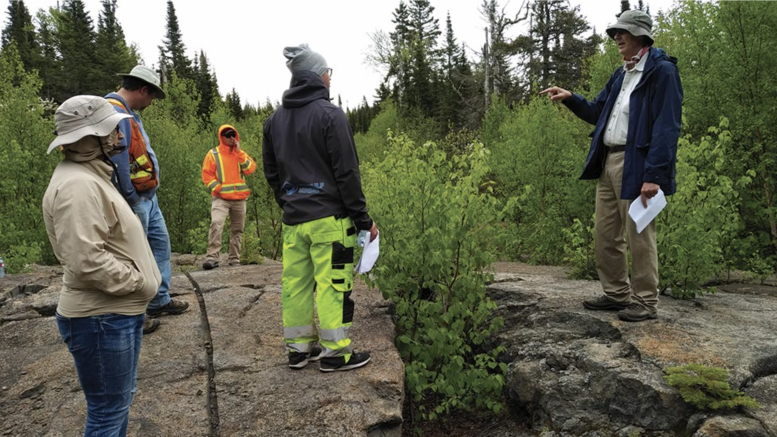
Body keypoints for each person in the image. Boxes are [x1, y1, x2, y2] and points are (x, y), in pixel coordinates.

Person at [540, 10, 682, 322]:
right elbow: (598, 112)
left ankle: (645, 303)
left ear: (641, 36)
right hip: (608, 162)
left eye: (624, 32)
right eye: (615, 32)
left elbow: (667, 127)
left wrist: (654, 175)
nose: (617, 37)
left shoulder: (662, 72)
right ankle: (617, 295)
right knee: (605, 236)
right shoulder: (622, 74)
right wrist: (570, 98)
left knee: (639, 236)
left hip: (638, 164)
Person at [43, 95, 162, 437]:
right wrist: (139, 284)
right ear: (86, 139)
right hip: (101, 318)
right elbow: (86, 260)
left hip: (111, 315)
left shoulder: (88, 175)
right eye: (109, 130)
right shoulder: (77, 186)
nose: (119, 138)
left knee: (116, 405)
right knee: (107, 412)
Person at [263, 44, 378, 372]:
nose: (331, 77)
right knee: (333, 283)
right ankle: (336, 354)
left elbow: (272, 174)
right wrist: (362, 220)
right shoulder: (331, 115)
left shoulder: (273, 121)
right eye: (329, 71)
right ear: (317, 75)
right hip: (329, 220)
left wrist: (289, 204)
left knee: (296, 283)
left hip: (293, 221)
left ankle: (298, 351)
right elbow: (347, 173)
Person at [106, 65, 189, 333]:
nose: (151, 103)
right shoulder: (113, 113)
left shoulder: (127, 113)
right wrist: (130, 197)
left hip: (147, 198)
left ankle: (158, 300)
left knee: (160, 247)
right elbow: (117, 161)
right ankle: (132, 314)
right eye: (152, 97)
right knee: (133, 257)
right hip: (134, 200)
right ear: (142, 90)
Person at [201, 125, 257, 269]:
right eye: (227, 135)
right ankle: (212, 257)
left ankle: (234, 259)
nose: (231, 138)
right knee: (216, 223)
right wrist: (218, 189)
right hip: (221, 198)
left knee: (237, 230)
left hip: (239, 199)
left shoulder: (240, 154)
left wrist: (239, 152)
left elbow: (251, 169)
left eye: (233, 135)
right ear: (221, 137)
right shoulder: (213, 154)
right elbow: (207, 176)